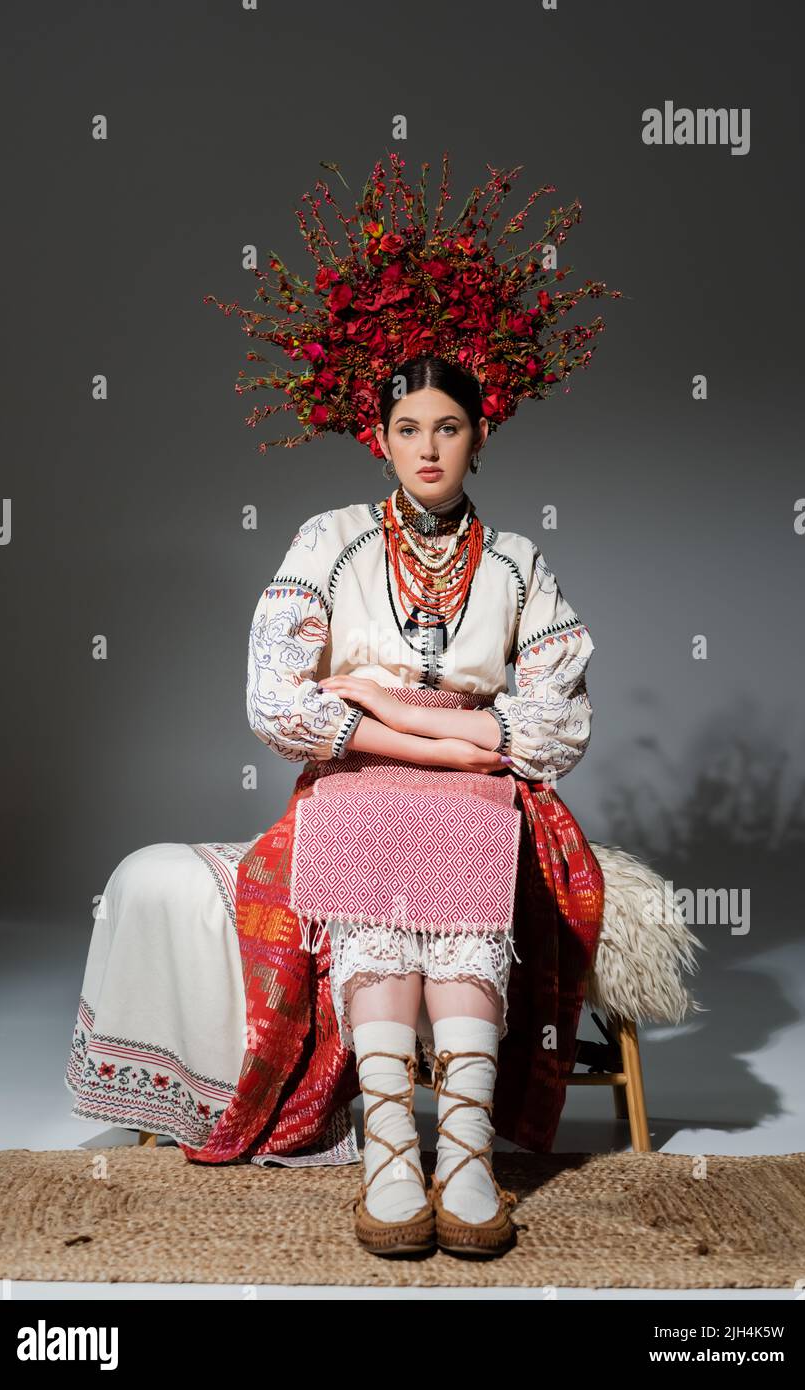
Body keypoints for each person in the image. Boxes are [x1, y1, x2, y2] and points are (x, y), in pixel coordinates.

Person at [65, 152, 617, 1261]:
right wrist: (439, 730)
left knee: (463, 827)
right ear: (379, 436)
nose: (426, 448)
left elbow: (560, 723)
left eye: (447, 429)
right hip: (367, 778)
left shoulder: (516, 560)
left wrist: (402, 711)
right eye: (407, 428)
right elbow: (276, 697)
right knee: (372, 817)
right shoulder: (329, 540)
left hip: (479, 789)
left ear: (479, 436)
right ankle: (390, 1153)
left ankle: (463, 1160)